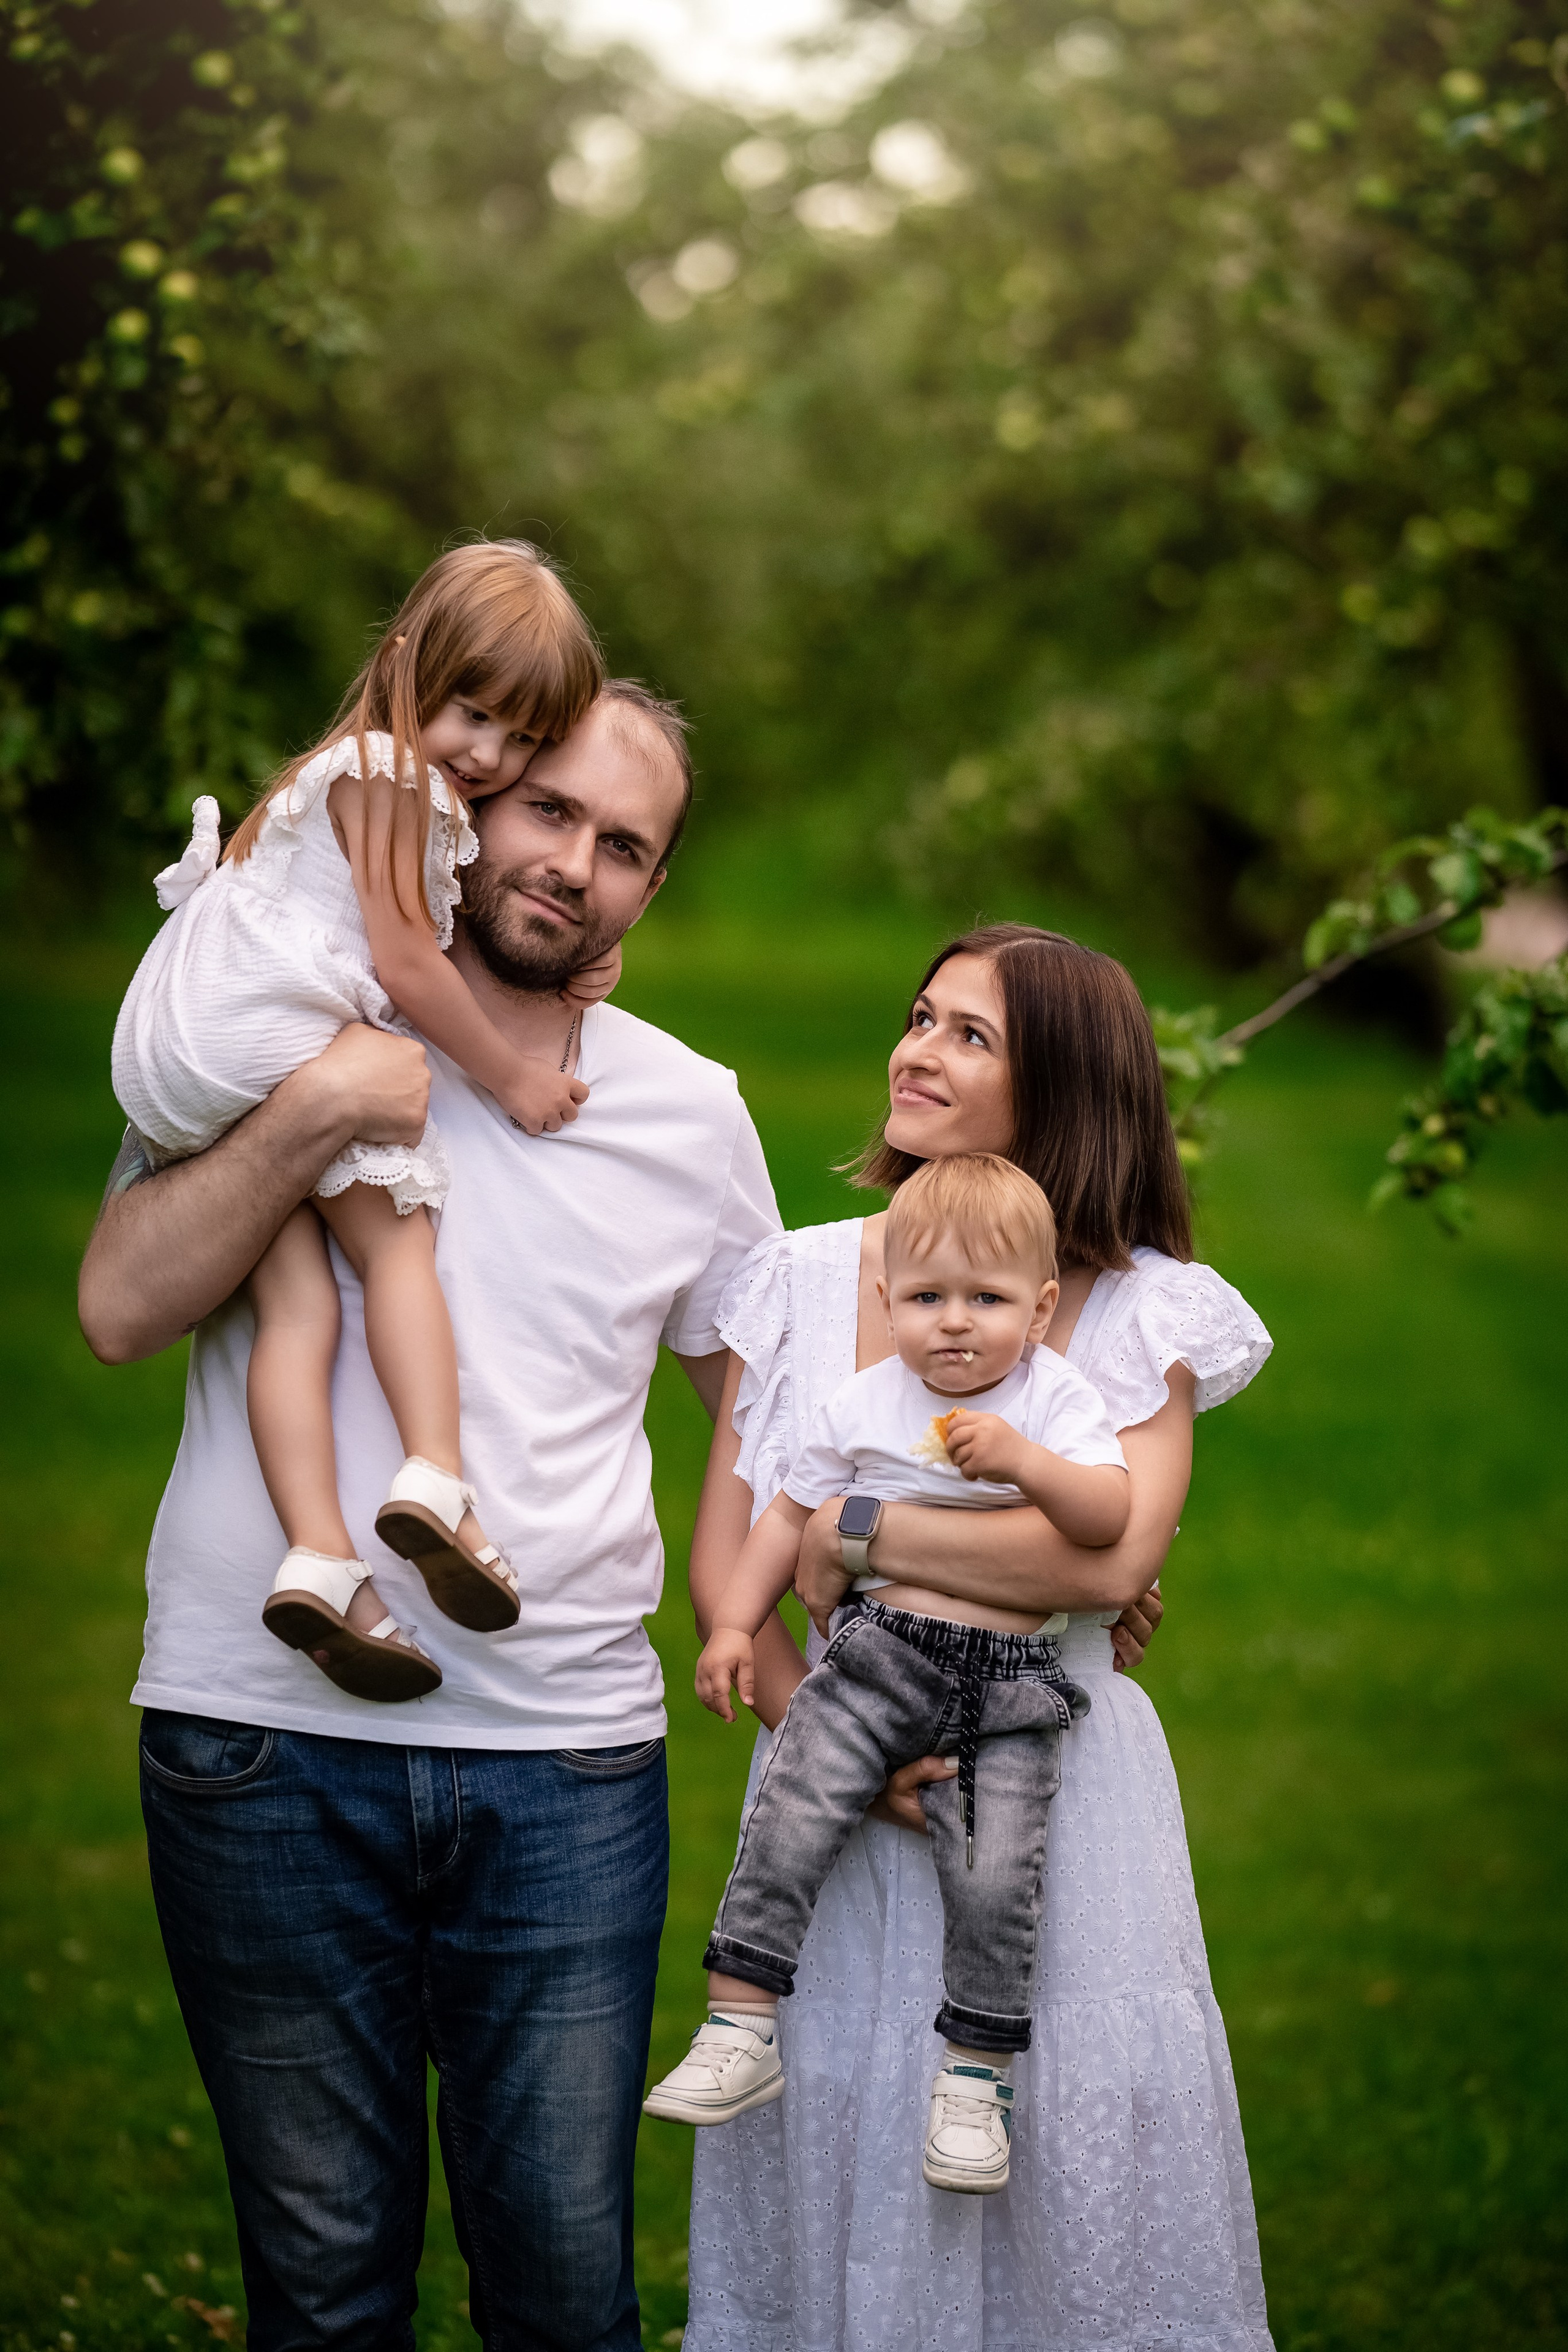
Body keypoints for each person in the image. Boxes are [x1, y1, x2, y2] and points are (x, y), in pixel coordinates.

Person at [78, 676, 781, 2352]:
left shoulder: (692, 1111)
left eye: (627, 845)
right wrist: (326, 1104)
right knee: (323, 2295)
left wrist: (861, 1616)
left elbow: (771, 1406)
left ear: (652, 888)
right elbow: (117, 1307)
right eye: (552, 812)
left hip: (564, 1769)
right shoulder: (277, 1013)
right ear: (475, 800)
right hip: (258, 1750)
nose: (576, 865)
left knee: (561, 2293)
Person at [684, 924, 1275, 2350]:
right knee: (841, 2109)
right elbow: (727, 1564)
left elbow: (1114, 1547)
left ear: (1060, 1091)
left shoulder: (1134, 1303)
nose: (915, 1050)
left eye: (968, 1035)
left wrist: (849, 1539)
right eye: (917, 1016)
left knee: (1053, 2120)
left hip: (1053, 1791)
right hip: (845, 1779)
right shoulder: (811, 1277)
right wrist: (831, 1746)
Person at [112, 540, 607, 1700]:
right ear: (404, 667)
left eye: (523, 740)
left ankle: (321, 1558)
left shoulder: (328, 770)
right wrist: (512, 1078)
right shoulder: (396, 774)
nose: (488, 758)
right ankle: (436, 1475)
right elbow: (410, 963)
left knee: (293, 1309)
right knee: (396, 1247)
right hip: (260, 1040)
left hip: (181, 1060)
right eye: (474, 716)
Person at [647, 1153, 1130, 2197]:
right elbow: (783, 1515)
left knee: (998, 1873)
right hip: (878, 1656)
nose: (954, 1323)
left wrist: (1026, 1462)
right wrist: (735, 1626)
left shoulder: (1056, 1403)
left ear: (1040, 1309)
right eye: (926, 1298)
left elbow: (1107, 1521)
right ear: (886, 1300)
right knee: (793, 1806)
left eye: (987, 1300)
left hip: (1008, 1683)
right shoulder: (865, 1402)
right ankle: (741, 2021)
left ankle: (975, 2076)